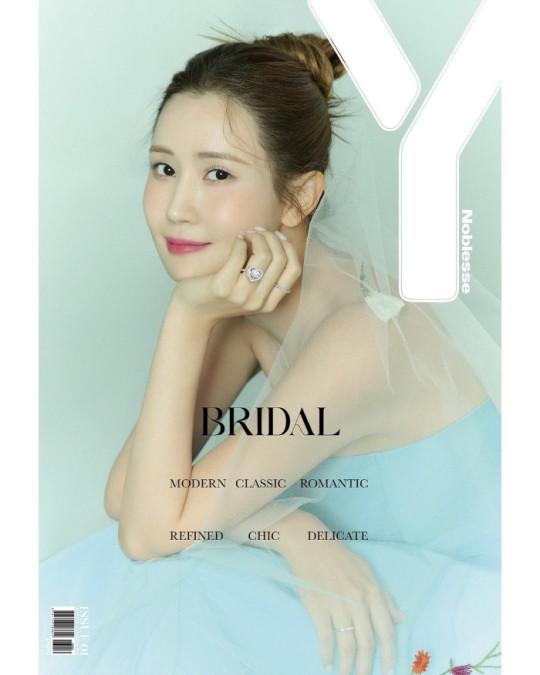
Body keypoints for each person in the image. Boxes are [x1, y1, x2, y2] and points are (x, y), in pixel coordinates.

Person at [40, 28, 501, 675]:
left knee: (171, 595)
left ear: (298, 197)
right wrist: (287, 527)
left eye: (218, 174)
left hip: (460, 604)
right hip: (366, 569)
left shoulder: (360, 337)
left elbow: (147, 532)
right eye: (164, 168)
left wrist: (188, 314)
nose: (177, 208)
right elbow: (129, 497)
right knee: (146, 588)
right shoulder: (245, 308)